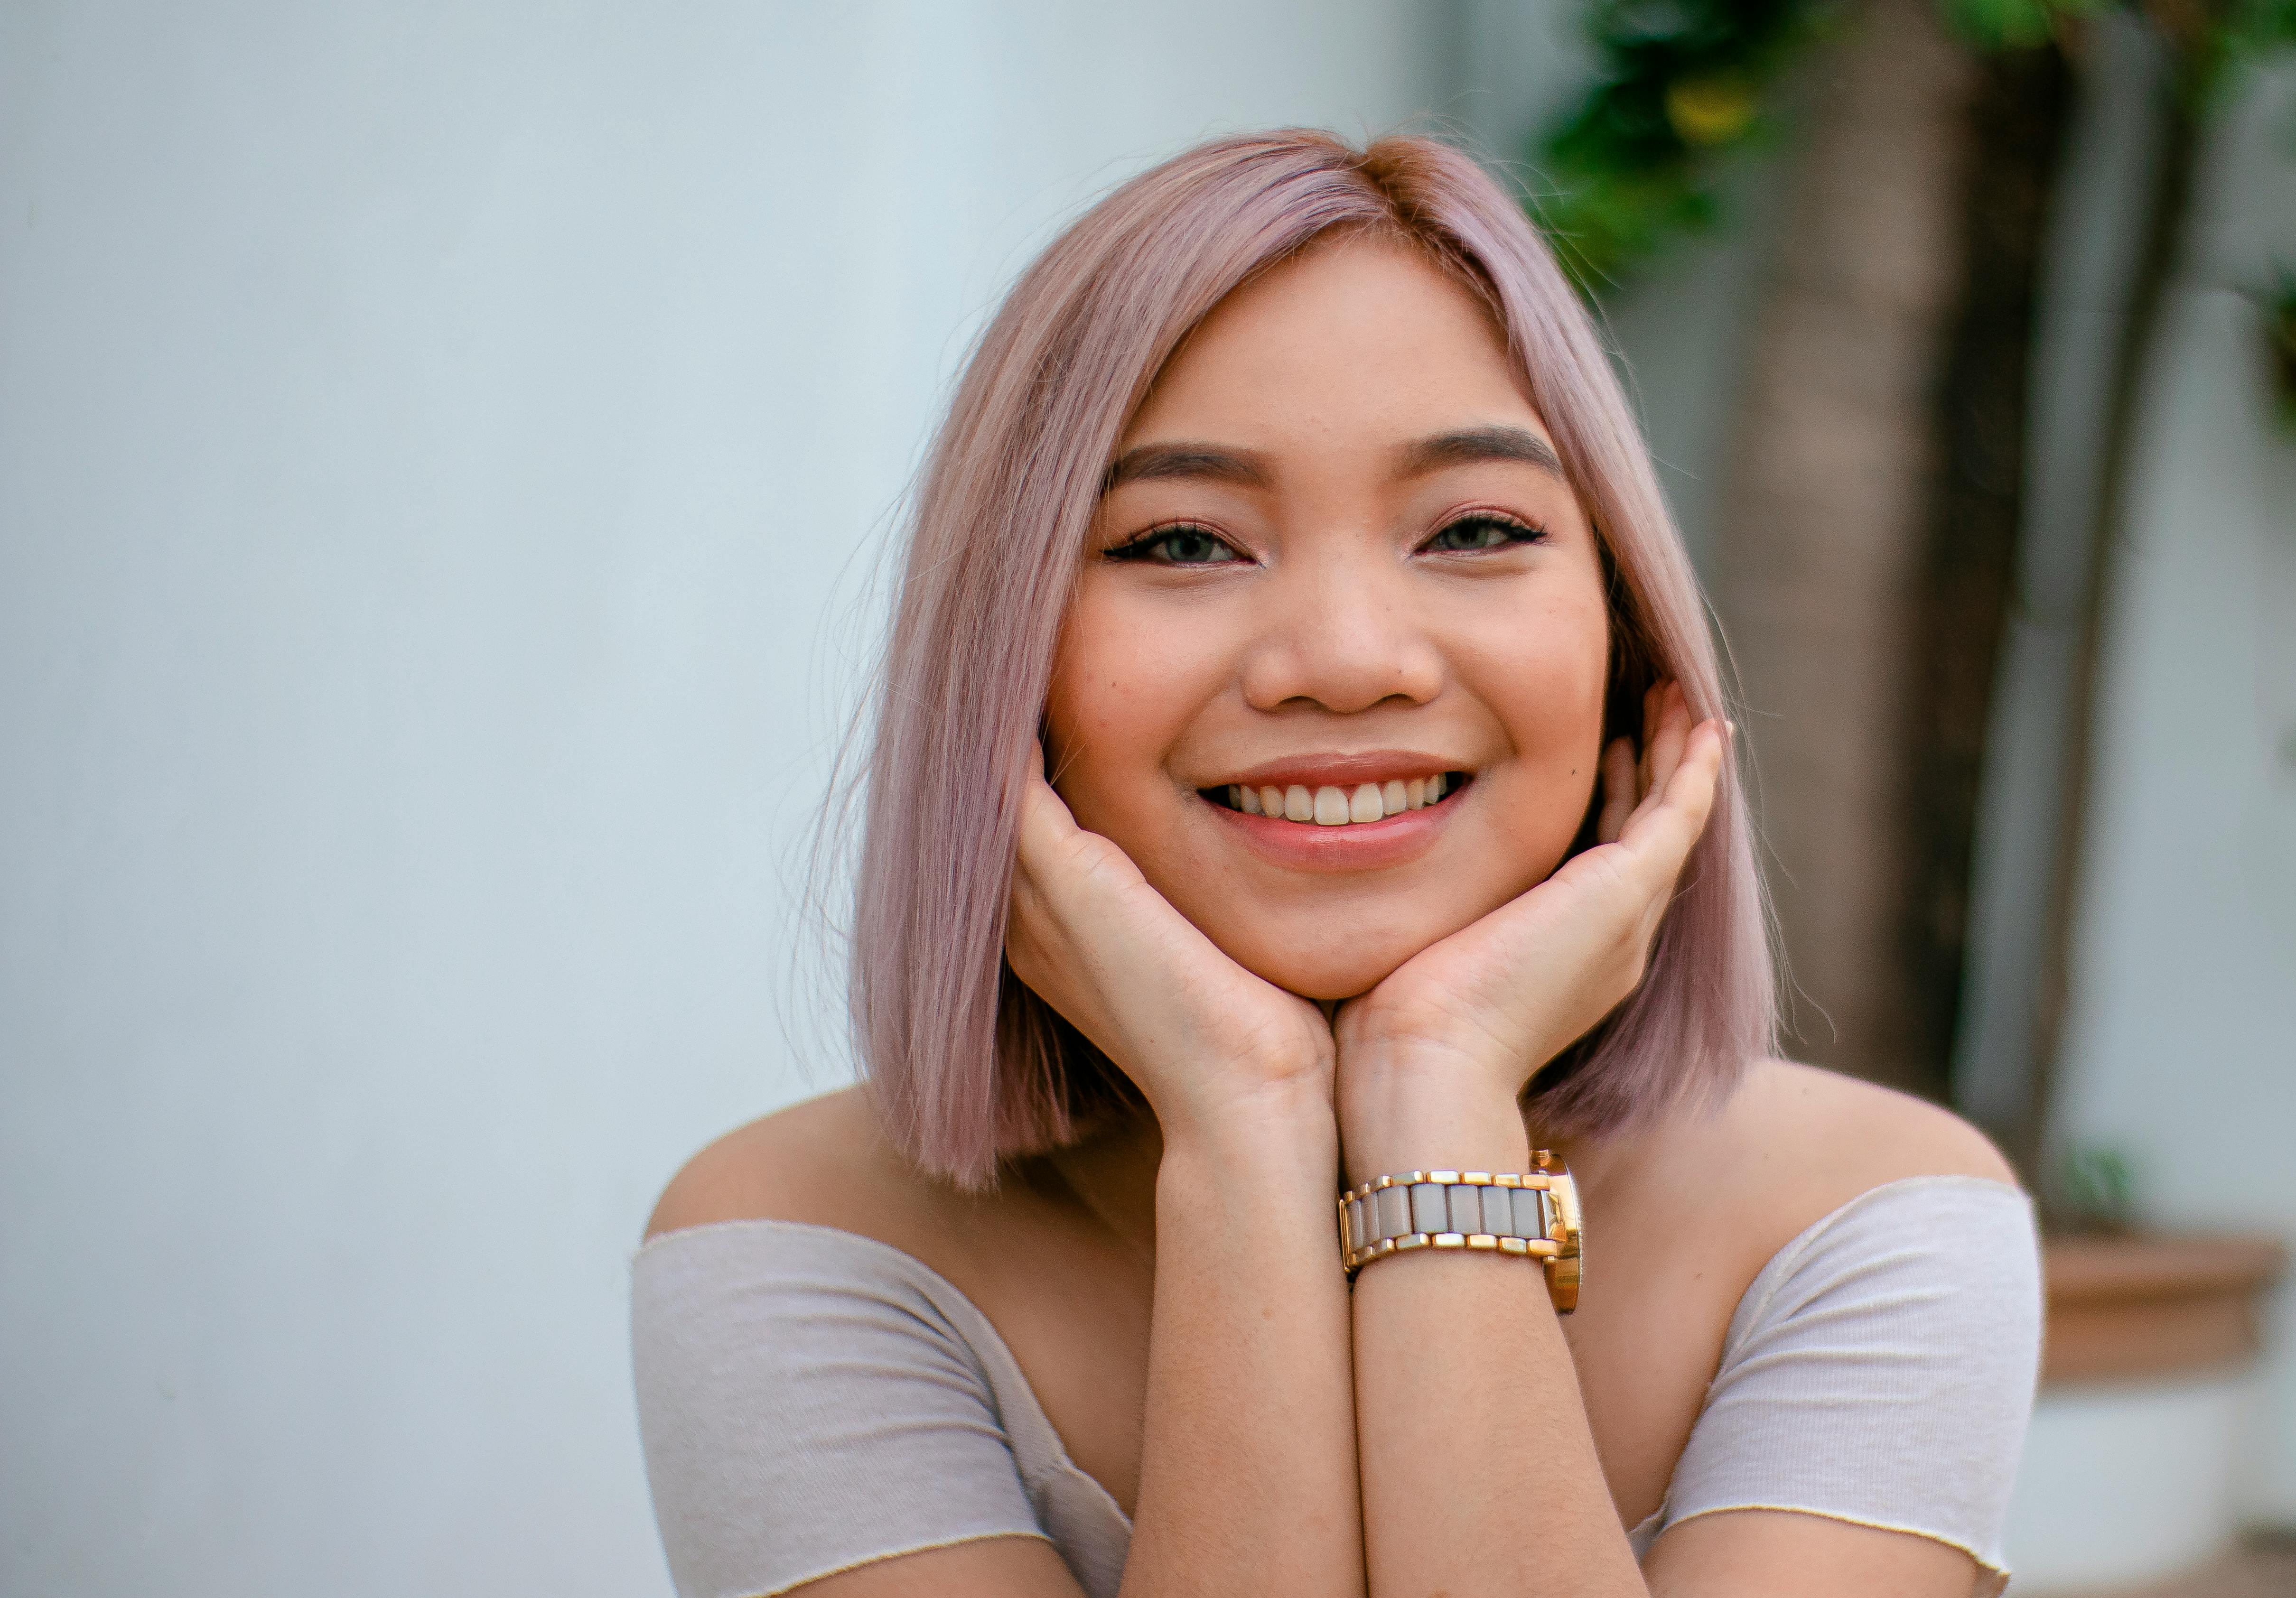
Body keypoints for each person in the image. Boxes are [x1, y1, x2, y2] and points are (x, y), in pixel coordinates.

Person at [630, 130, 2041, 1598]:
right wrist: (1245, 1135)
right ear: (1007, 674)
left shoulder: (1870, 1230)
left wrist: (1443, 1088)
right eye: (1181, 541)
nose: (1348, 662)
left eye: (1478, 528)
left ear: (1624, 634)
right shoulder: (801, 1248)